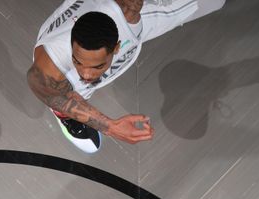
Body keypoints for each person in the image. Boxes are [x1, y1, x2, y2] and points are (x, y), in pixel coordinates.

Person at [28, 0, 225, 152]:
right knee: (62, 88)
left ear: (117, 48)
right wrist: (110, 126)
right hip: (79, 27)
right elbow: (44, 88)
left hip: (136, 19)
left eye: (97, 65)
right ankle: (65, 115)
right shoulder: (53, 59)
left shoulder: (130, 11)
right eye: (78, 61)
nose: (86, 73)